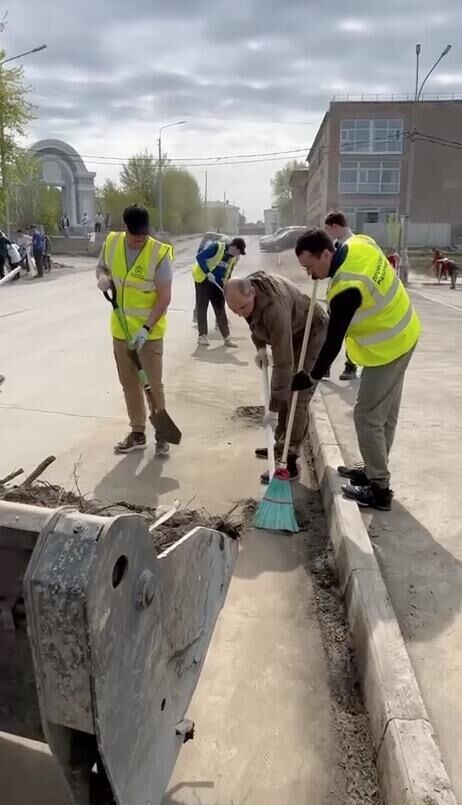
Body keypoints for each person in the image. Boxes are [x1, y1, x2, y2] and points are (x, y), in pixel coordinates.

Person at [293, 229, 421, 511]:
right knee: (384, 414)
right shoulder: (359, 242)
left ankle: (379, 490)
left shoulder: (345, 289)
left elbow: (333, 340)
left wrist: (312, 376)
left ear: (326, 254)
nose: (310, 275)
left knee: (367, 416)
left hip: (390, 346)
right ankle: (375, 468)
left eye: (311, 267)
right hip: (404, 328)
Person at [225, 272, 329, 483]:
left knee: (296, 395)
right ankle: (280, 445)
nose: (240, 314)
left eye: (243, 308)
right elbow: (253, 321)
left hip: (311, 331)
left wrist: (272, 409)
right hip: (291, 329)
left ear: (253, 293)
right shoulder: (246, 296)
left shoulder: (274, 309)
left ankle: (289, 459)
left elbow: (283, 363)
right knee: (284, 389)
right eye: (235, 311)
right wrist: (260, 346)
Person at [96, 204, 173, 457]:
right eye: (136, 234)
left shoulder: (159, 253)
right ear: (125, 228)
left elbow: (164, 297)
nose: (141, 238)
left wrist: (146, 328)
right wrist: (102, 278)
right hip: (120, 331)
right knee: (129, 384)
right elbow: (102, 267)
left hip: (148, 335)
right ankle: (138, 432)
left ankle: (162, 435)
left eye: (144, 233)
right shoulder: (112, 243)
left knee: (152, 385)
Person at [324, 210, 369, 381]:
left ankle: (350, 367)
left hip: (351, 297)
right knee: (330, 331)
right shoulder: (336, 245)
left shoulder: (354, 245)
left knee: (350, 333)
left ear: (335, 226)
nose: (328, 233)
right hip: (335, 296)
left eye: (329, 229)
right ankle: (325, 367)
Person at [192, 236, 246, 347]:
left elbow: (228, 274)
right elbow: (200, 257)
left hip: (217, 284)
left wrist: (226, 287)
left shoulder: (232, 258)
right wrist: (207, 272)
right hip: (203, 280)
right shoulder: (217, 247)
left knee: (220, 309)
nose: (238, 255)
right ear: (234, 247)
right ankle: (202, 336)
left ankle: (227, 338)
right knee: (203, 307)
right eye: (239, 252)